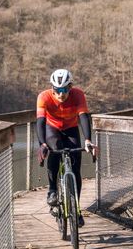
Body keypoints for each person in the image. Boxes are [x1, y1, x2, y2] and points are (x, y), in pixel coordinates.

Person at [36, 69, 96, 227]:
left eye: (64, 90)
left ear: (70, 87)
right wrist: (42, 144)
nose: (60, 94)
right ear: (52, 88)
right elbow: (40, 122)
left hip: (70, 129)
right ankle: (53, 190)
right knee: (54, 148)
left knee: (76, 168)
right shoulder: (44, 97)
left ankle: (76, 209)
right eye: (57, 90)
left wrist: (88, 140)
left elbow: (83, 116)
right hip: (52, 128)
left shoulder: (78, 95)